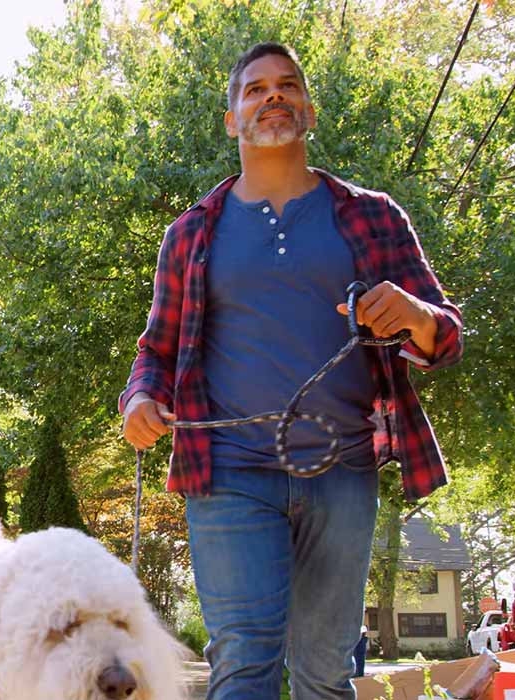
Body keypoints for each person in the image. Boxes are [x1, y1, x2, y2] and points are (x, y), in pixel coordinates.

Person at [120, 42, 464, 700]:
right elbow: (156, 352)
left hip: (343, 469)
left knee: (325, 670)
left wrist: (414, 315)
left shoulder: (373, 216)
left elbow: (443, 334)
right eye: (254, 89)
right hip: (228, 471)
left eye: (287, 86)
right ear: (232, 120)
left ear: (309, 109)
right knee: (245, 661)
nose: (272, 96)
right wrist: (139, 398)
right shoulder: (191, 234)